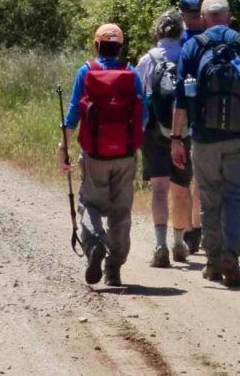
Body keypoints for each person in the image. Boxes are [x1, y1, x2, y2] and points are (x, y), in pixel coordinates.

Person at [171, 0, 240, 287]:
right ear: (229, 16)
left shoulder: (193, 46)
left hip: (204, 137)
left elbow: (180, 99)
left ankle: (213, 261)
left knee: (209, 198)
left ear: (203, 20)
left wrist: (176, 138)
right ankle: (232, 255)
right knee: (237, 198)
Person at [59, 23, 146, 288]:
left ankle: (95, 242)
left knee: (90, 203)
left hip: (95, 153)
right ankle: (114, 268)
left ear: (96, 45)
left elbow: (74, 113)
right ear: (119, 46)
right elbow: (144, 115)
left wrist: (64, 148)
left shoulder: (87, 71)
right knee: (120, 211)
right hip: (125, 155)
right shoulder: (131, 73)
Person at [136, 10, 192, 267]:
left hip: (154, 133)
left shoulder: (147, 60)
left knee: (159, 188)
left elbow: (140, 99)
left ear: (157, 32)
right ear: (182, 32)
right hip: (184, 132)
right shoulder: (188, 57)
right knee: (181, 190)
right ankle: (179, 243)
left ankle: (160, 245)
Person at [178, 0, 204, 254]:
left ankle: (186, 229)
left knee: (182, 176)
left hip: (179, 114)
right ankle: (196, 226)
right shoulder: (209, 37)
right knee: (198, 177)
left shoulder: (179, 40)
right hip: (202, 114)